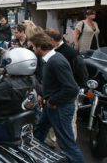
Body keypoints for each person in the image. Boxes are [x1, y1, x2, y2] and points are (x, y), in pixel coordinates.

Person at [29, 33, 84, 163]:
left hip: (60, 107)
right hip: (52, 104)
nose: (32, 49)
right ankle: (33, 155)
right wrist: (45, 96)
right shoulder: (52, 59)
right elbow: (54, 83)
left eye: (33, 46)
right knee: (39, 131)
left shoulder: (56, 61)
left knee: (67, 143)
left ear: (39, 46)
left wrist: (53, 101)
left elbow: (72, 88)